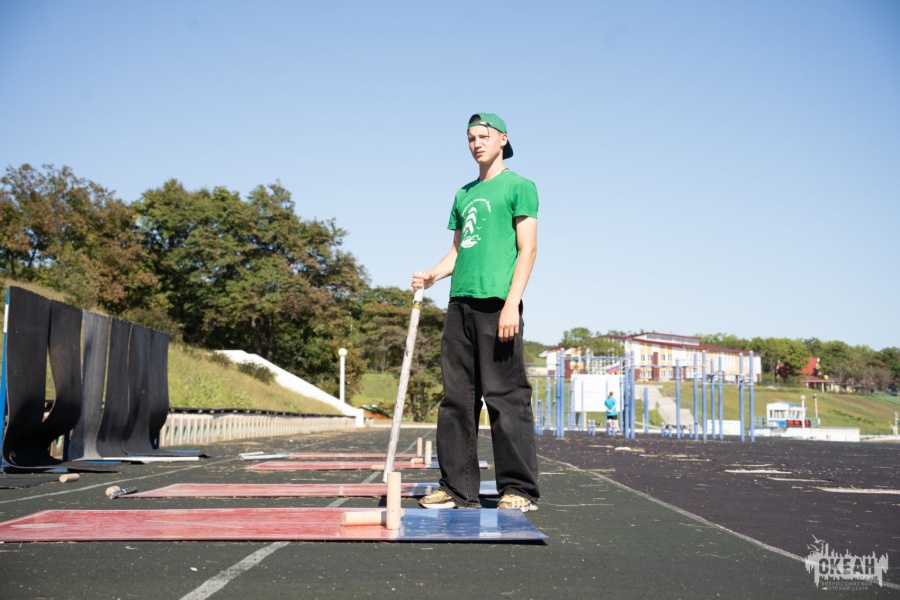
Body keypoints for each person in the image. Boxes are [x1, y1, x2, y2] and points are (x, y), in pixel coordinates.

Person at [412, 112, 539, 512]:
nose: (476, 143)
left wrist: (511, 304)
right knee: (457, 399)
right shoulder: (463, 194)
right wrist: (432, 275)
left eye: (483, 136)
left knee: (506, 398)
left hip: (498, 304)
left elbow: (528, 249)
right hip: (459, 304)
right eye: (470, 138)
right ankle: (456, 488)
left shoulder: (520, 186)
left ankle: (518, 490)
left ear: (502, 139)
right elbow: (457, 251)